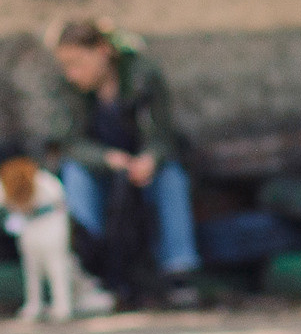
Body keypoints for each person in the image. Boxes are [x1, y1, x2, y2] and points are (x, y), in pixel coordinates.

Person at [45, 19, 201, 306]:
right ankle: (90, 270)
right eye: (66, 65)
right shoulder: (69, 89)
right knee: (74, 175)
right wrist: (106, 159)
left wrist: (151, 158)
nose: (72, 73)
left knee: (171, 177)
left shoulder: (143, 76)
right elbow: (68, 142)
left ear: (103, 50)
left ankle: (179, 271)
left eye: (78, 63)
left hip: (142, 167)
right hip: (101, 169)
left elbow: (163, 135)